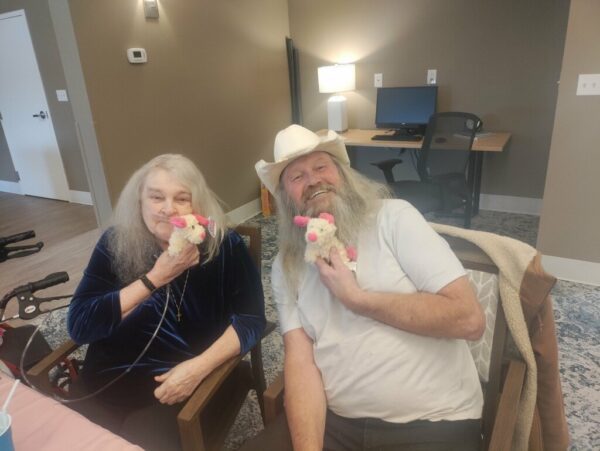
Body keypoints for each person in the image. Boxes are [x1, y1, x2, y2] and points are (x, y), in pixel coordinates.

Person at [246, 125, 486, 451]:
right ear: (286, 196)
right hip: (336, 421)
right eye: (297, 176)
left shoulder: (395, 219)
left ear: (342, 174)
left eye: (321, 167)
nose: (313, 179)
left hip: (434, 420)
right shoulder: (285, 266)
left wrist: (357, 299)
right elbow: (300, 362)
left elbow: (469, 319)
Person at [67, 154, 265, 450]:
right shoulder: (115, 243)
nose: (168, 209)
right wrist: (154, 279)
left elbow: (252, 319)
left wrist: (196, 370)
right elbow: (80, 326)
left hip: (173, 388)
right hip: (104, 380)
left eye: (182, 199)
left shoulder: (224, 247)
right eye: (156, 197)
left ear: (196, 206)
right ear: (140, 201)